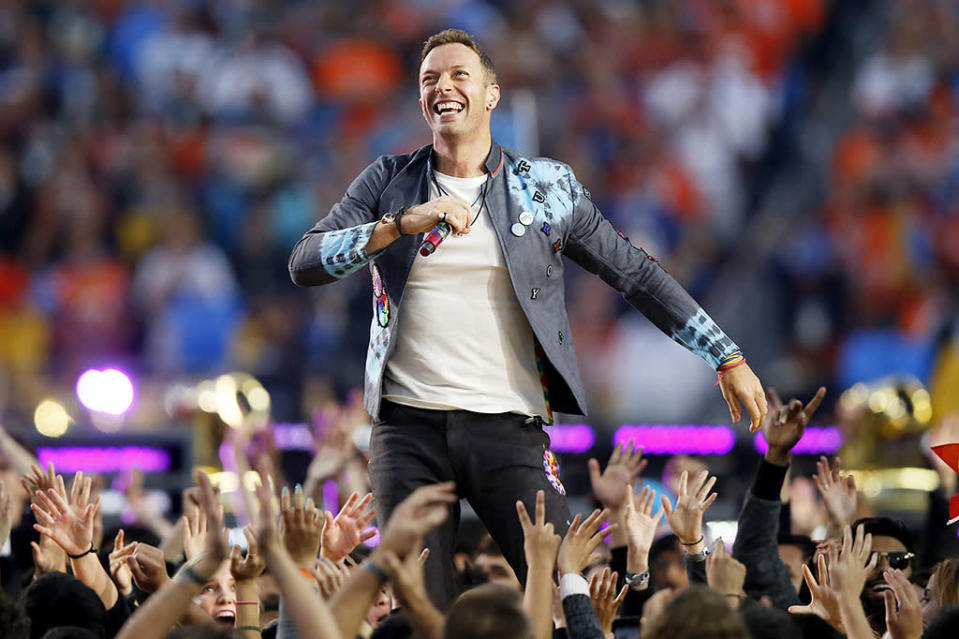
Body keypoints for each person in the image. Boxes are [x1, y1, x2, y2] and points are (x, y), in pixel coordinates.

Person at [288, 27, 766, 608]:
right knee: (420, 607)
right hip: (406, 430)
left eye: (459, 75)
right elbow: (306, 262)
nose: (443, 86)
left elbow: (635, 274)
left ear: (492, 93)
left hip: (508, 424)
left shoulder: (545, 188)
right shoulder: (389, 182)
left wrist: (726, 354)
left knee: (571, 595)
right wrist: (397, 226)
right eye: (429, 79)